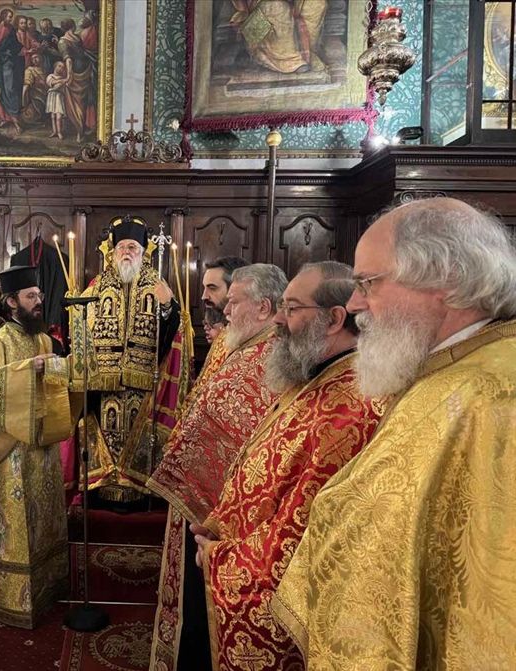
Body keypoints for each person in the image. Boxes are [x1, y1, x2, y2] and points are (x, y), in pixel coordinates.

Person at [273, 199, 516, 669]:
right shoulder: (449, 373)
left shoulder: (490, 396)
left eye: (368, 283)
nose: (355, 304)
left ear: (445, 278)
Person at [195, 261, 386, 670]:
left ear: (334, 319)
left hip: (274, 586)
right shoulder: (315, 378)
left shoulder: (351, 408)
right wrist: (219, 522)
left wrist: (221, 556)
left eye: (292, 308)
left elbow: (302, 528)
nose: (279, 320)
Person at [147, 263, 286, 671]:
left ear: (263, 308)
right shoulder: (243, 345)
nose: (225, 309)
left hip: (224, 514)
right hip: (204, 498)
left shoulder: (270, 356)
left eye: (234, 301)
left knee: (205, 612)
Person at [0, 266, 77, 628]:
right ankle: (6, 595)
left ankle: (46, 586)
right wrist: (28, 369)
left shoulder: (44, 339)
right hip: (11, 448)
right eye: (30, 296)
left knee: (42, 518)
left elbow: (55, 386)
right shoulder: (0, 341)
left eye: (39, 295)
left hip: (41, 442)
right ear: (12, 302)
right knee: (14, 522)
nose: (38, 302)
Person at [80, 216, 180, 505]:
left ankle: (137, 494)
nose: (127, 252)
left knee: (138, 438)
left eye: (133, 247)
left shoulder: (156, 284)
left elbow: (172, 329)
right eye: (122, 246)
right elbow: (80, 327)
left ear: (143, 252)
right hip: (105, 381)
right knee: (106, 435)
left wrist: (167, 306)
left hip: (142, 377)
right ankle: (103, 492)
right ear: (112, 252)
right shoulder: (97, 286)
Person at [231, 0, 328, 74]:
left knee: (317, 3)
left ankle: (309, 53)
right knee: (277, 6)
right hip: (263, 5)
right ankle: (291, 60)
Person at [0, 8, 24, 134]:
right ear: (3, 16)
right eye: (9, 16)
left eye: (11, 17)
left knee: (9, 88)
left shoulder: (11, 30)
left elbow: (15, 45)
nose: (11, 19)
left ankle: (15, 119)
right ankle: (4, 117)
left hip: (7, 62)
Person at [45, 61, 69, 139]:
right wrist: (62, 81)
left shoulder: (63, 78)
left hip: (59, 96)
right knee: (53, 116)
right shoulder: (50, 76)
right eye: (59, 66)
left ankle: (59, 132)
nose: (61, 68)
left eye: (63, 67)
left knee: (59, 116)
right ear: (55, 66)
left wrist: (62, 82)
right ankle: (54, 131)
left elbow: (61, 86)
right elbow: (52, 83)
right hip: (52, 96)